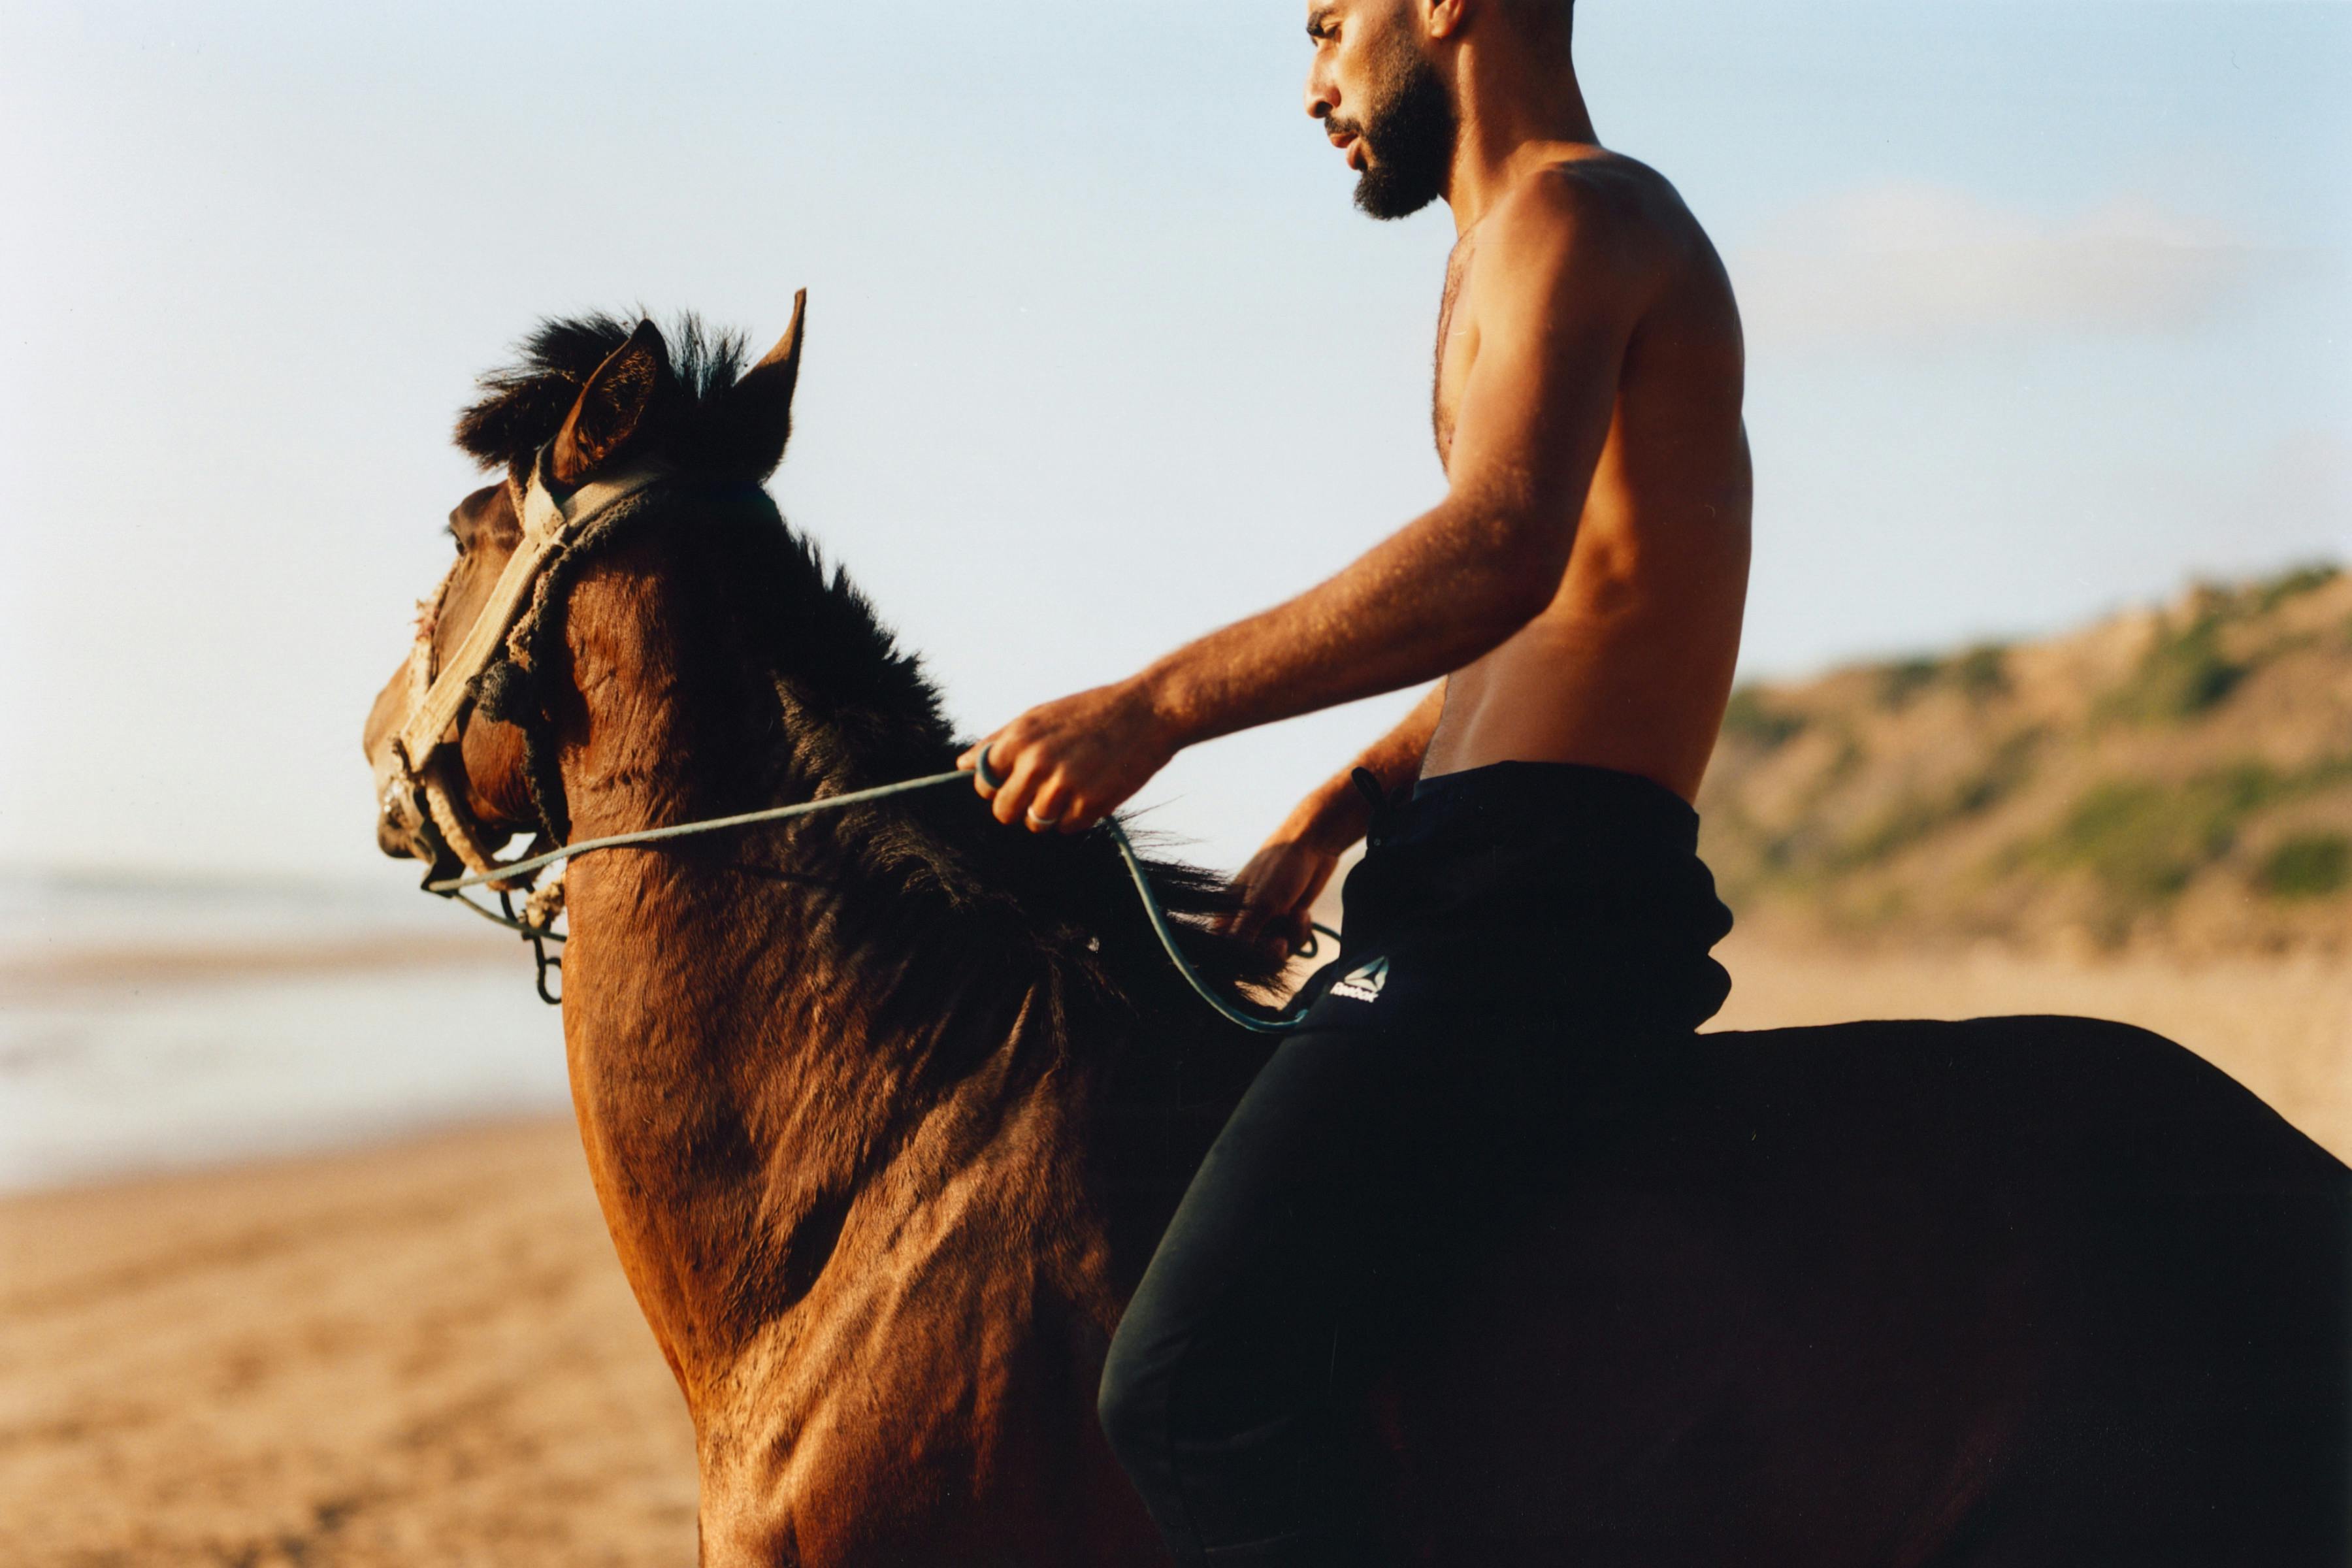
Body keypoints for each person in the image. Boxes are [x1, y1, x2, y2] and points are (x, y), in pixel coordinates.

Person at [959, 1, 1752, 1560]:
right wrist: (1346, 802)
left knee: (1185, 1391)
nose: (1315, 80)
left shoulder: (1582, 212)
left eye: (1327, 22)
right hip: (1469, 866)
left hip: (1550, 901)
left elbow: (1501, 549)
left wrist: (1158, 705)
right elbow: (1573, 595)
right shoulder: (1503, 248)